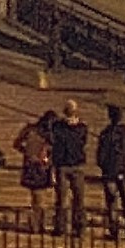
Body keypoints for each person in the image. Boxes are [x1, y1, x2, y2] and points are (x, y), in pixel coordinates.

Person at [96, 104, 125, 240]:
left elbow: (100, 155)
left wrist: (103, 166)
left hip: (110, 171)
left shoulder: (106, 133)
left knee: (112, 201)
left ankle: (114, 229)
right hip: (124, 170)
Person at [49, 100, 89, 236]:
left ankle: (78, 227)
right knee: (62, 199)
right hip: (63, 165)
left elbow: (82, 141)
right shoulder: (58, 126)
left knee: (78, 198)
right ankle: (61, 227)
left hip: (75, 164)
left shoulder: (81, 127)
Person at [15, 114, 56, 228]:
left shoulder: (30, 130)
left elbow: (17, 144)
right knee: (39, 198)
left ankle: (37, 223)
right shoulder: (48, 135)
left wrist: (27, 154)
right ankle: (38, 224)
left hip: (32, 166)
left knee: (37, 198)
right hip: (41, 167)